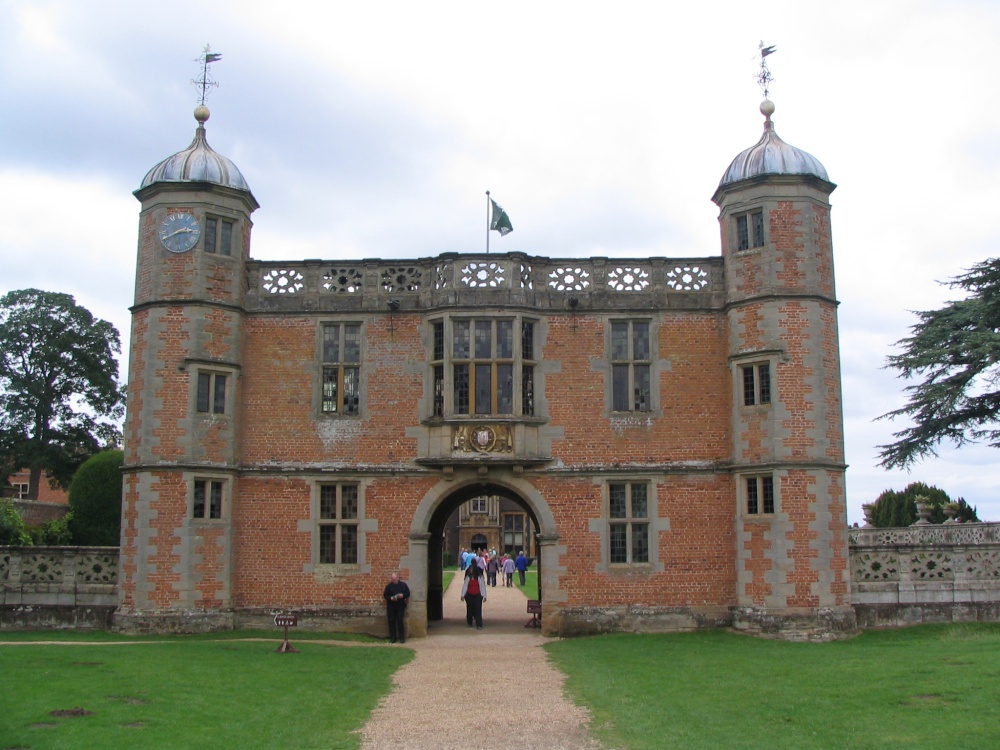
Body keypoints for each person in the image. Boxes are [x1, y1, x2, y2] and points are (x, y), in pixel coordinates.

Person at [383, 571, 410, 643]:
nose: (393, 580)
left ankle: (402, 637)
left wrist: (402, 595)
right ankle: (393, 637)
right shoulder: (389, 586)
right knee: (391, 621)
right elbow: (385, 595)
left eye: (394, 579)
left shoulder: (403, 585)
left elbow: (407, 593)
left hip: (400, 605)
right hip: (391, 606)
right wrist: (391, 598)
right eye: (392, 579)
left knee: (400, 620)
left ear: (398, 578)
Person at [460, 561, 487, 629]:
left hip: (478, 595)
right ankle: (469, 622)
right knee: (469, 609)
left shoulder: (480, 577)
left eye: (471, 569)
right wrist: (462, 595)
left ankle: (479, 624)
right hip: (469, 595)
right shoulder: (468, 577)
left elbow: (482, 586)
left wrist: (484, 596)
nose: (470, 570)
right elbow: (465, 586)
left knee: (478, 610)